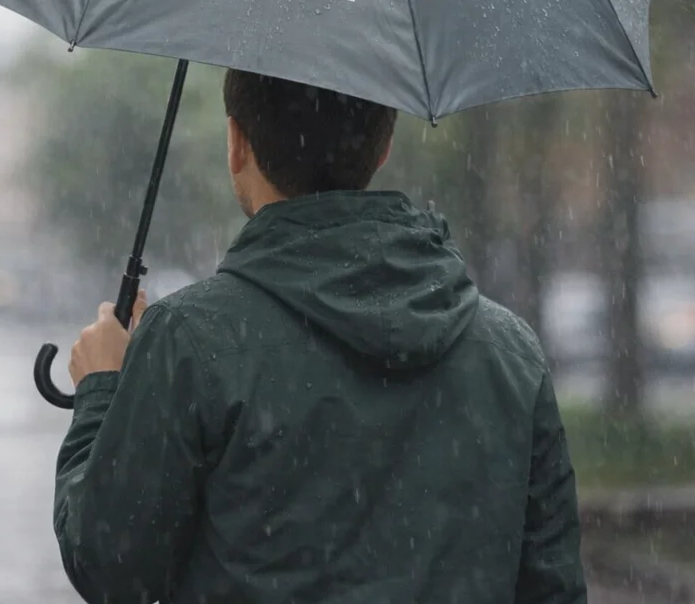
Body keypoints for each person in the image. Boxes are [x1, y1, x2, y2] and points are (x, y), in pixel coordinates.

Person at [54, 69, 586, 604]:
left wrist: (102, 392)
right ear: (384, 147)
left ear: (237, 143)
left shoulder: (191, 341)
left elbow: (112, 568)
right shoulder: (508, 351)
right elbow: (554, 587)